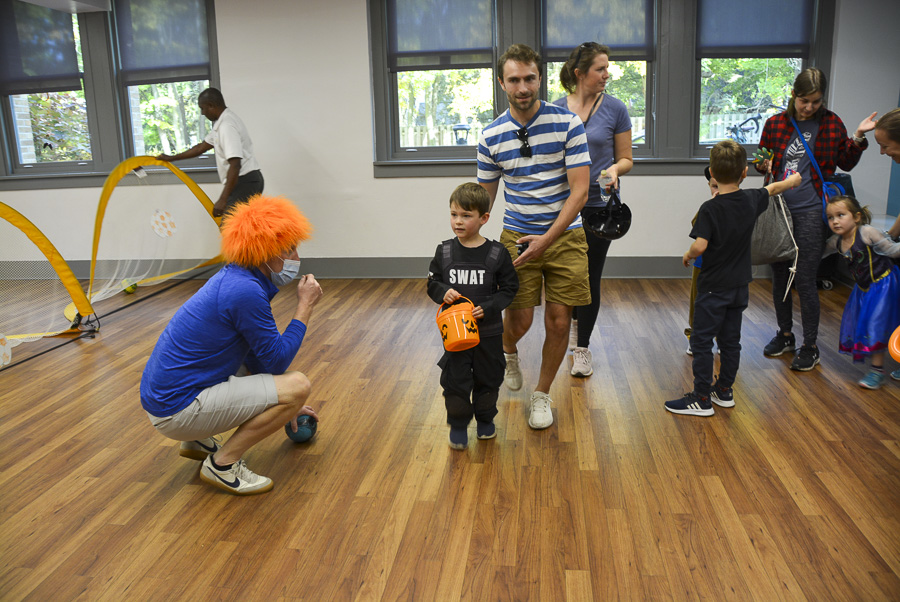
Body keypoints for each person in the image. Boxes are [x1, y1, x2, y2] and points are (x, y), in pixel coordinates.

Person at [140, 195, 322, 495]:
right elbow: (277, 362)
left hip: (166, 400)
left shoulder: (238, 278)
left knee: (282, 387)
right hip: (176, 411)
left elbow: (261, 360)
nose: (296, 256)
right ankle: (222, 464)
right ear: (265, 252)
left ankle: (198, 439)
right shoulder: (245, 291)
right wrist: (305, 307)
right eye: (289, 249)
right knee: (298, 384)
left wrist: (283, 404)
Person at [477, 43, 591, 430]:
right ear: (501, 83)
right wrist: (467, 243)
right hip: (517, 237)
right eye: (514, 80)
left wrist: (547, 239)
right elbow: (484, 200)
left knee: (559, 322)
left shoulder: (568, 124)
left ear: (540, 78)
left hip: (566, 236)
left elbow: (580, 192)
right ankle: (508, 349)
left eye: (529, 78)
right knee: (520, 322)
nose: (523, 87)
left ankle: (542, 394)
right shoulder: (491, 136)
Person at [666, 140, 802, 416]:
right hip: (739, 286)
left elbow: (701, 245)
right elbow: (773, 189)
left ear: (712, 174)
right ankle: (724, 390)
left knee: (702, 341)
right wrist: (793, 181)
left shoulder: (710, 208)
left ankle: (701, 398)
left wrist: (688, 254)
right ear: (744, 173)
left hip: (713, 288)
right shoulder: (751, 199)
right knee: (730, 341)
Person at [755, 68, 876, 372]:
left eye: (816, 101)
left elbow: (846, 161)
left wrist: (858, 137)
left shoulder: (831, 123)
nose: (809, 107)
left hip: (812, 210)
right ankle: (785, 335)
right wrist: (763, 163)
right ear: (793, 95)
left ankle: (810, 346)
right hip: (779, 209)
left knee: (805, 279)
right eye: (804, 100)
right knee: (780, 276)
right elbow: (761, 160)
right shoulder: (775, 123)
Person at [551, 42, 633, 377]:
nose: (606, 74)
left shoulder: (615, 109)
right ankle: (569, 330)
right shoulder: (554, 110)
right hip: (562, 207)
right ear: (579, 73)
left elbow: (626, 158)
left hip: (598, 209)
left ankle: (582, 348)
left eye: (607, 67)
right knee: (565, 277)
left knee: (589, 277)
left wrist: (615, 169)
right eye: (600, 68)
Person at [427, 183, 519, 449]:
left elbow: (510, 288)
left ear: (483, 218)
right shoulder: (444, 251)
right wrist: (442, 291)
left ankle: (485, 419)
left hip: (488, 333)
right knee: (455, 381)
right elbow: (432, 283)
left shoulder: (497, 253)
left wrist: (489, 307)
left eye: (466, 215)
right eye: (454, 214)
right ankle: (458, 424)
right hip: (455, 335)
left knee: (489, 379)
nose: (458, 221)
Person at [823, 195, 900, 389]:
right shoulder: (836, 241)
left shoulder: (867, 232)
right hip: (864, 288)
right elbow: (818, 253)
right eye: (831, 217)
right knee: (868, 324)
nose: (835, 221)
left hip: (884, 284)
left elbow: (892, 250)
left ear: (856, 217)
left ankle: (877, 371)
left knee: (877, 325)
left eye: (841, 215)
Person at [156, 88, 264, 218]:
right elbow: (200, 148)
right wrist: (172, 158)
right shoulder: (221, 123)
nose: (202, 113)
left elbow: (235, 164)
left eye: (203, 108)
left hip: (245, 182)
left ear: (211, 105)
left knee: (231, 226)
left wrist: (223, 199)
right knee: (239, 226)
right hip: (245, 181)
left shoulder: (226, 126)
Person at [685, 166, 720, 355]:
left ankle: (722, 337)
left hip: (726, 266)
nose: (718, 191)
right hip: (703, 264)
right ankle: (696, 335)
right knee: (698, 301)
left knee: (723, 303)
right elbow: (696, 226)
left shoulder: (738, 207)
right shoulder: (707, 208)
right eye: (714, 186)